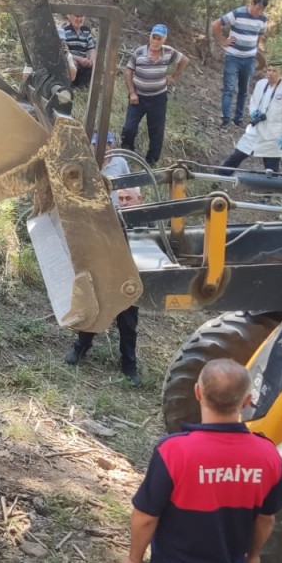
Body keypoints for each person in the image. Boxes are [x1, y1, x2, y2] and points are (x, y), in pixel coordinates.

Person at [123, 358, 282, 563]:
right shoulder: (267, 455)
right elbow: (266, 519)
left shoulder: (174, 452)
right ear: (247, 401)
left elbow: (145, 517)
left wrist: (134, 559)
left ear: (197, 392)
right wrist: (252, 556)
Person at [63, 131, 142, 386]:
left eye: (107, 145)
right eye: (99, 146)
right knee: (94, 304)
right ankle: (81, 346)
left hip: (125, 260)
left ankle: (129, 364)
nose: (104, 149)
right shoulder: (91, 174)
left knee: (128, 316)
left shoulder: (121, 165)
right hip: (100, 255)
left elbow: (131, 194)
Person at [121, 23, 189, 167]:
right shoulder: (139, 52)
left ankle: (151, 161)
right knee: (129, 128)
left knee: (156, 131)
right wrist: (132, 92)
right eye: (154, 37)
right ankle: (127, 151)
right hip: (138, 97)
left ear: (164, 40)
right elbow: (128, 71)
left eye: (159, 39)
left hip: (158, 98)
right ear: (150, 37)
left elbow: (184, 60)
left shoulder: (168, 52)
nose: (156, 41)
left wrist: (174, 76)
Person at [218, 60, 282, 175]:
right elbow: (253, 101)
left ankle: (269, 192)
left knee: (271, 169)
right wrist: (254, 112)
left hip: (274, 135)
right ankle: (217, 179)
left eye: (274, 71)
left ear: (281, 73)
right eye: (269, 70)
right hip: (255, 129)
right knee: (236, 157)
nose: (270, 73)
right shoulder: (261, 84)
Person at [211, 0, 270, 127]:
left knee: (243, 90)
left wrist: (255, 48)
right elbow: (215, 24)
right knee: (229, 89)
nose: (259, 12)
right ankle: (225, 119)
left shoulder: (263, 18)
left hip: (249, 59)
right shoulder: (238, 13)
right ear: (252, 4)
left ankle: (238, 119)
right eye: (257, 8)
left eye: (262, 9)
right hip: (233, 57)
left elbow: (260, 34)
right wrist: (222, 40)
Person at [60, 12, 96, 89]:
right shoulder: (64, 31)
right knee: (72, 65)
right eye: (76, 16)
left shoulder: (86, 31)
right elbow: (64, 53)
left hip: (83, 59)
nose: (79, 19)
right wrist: (80, 59)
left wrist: (91, 59)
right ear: (70, 17)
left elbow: (91, 48)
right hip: (71, 59)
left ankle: (87, 88)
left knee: (96, 65)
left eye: (81, 16)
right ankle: (71, 87)